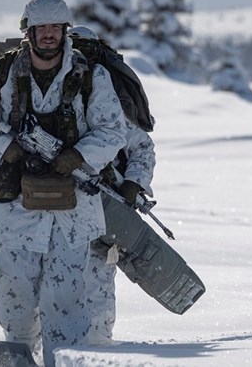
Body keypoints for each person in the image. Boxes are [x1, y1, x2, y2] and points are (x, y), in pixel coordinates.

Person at [0, 0, 127, 366]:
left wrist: (77, 157)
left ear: (64, 30)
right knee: (12, 294)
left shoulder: (89, 75)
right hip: (14, 210)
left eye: (55, 28)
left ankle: (63, 359)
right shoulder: (2, 74)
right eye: (41, 28)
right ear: (28, 32)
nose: (49, 35)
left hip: (74, 213)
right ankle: (17, 355)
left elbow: (113, 131)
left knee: (68, 302)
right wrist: (7, 151)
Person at [68, 25, 157, 345]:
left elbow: (142, 147)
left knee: (97, 279)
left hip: (106, 207)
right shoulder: (52, 96)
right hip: (57, 205)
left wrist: (132, 184)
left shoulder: (114, 102)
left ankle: (97, 349)